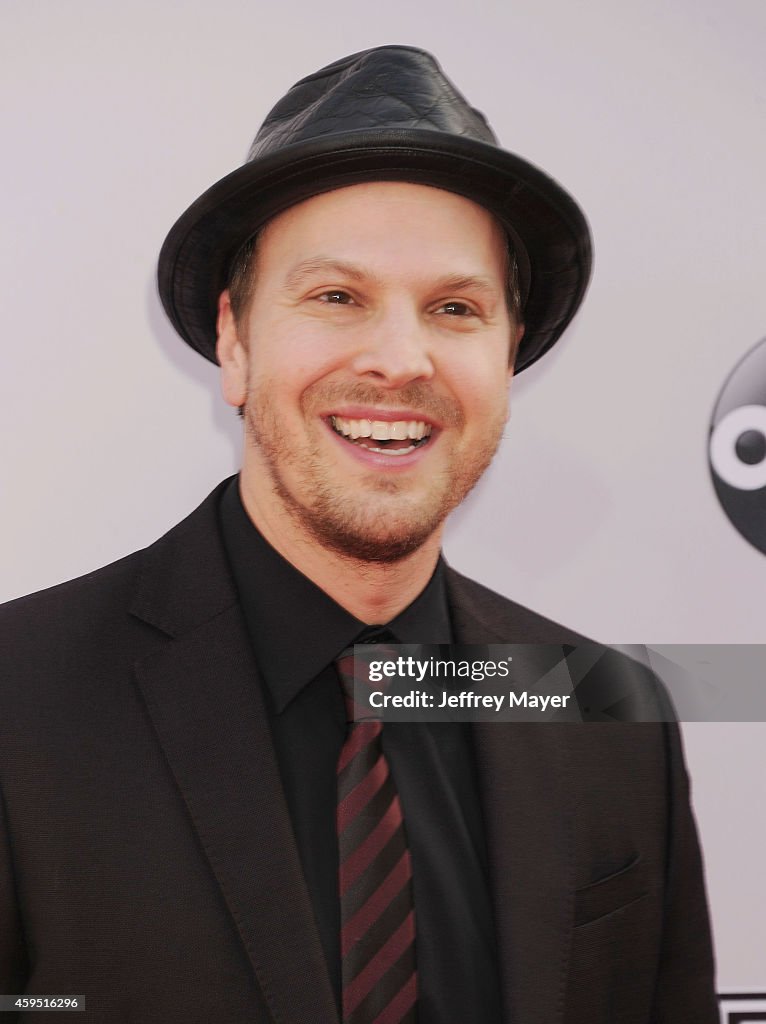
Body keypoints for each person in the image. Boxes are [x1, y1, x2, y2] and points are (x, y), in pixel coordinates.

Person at [0, 45, 717, 1024]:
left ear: (507, 359)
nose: (397, 358)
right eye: (335, 296)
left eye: (454, 309)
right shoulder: (18, 703)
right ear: (234, 341)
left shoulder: (605, 715)